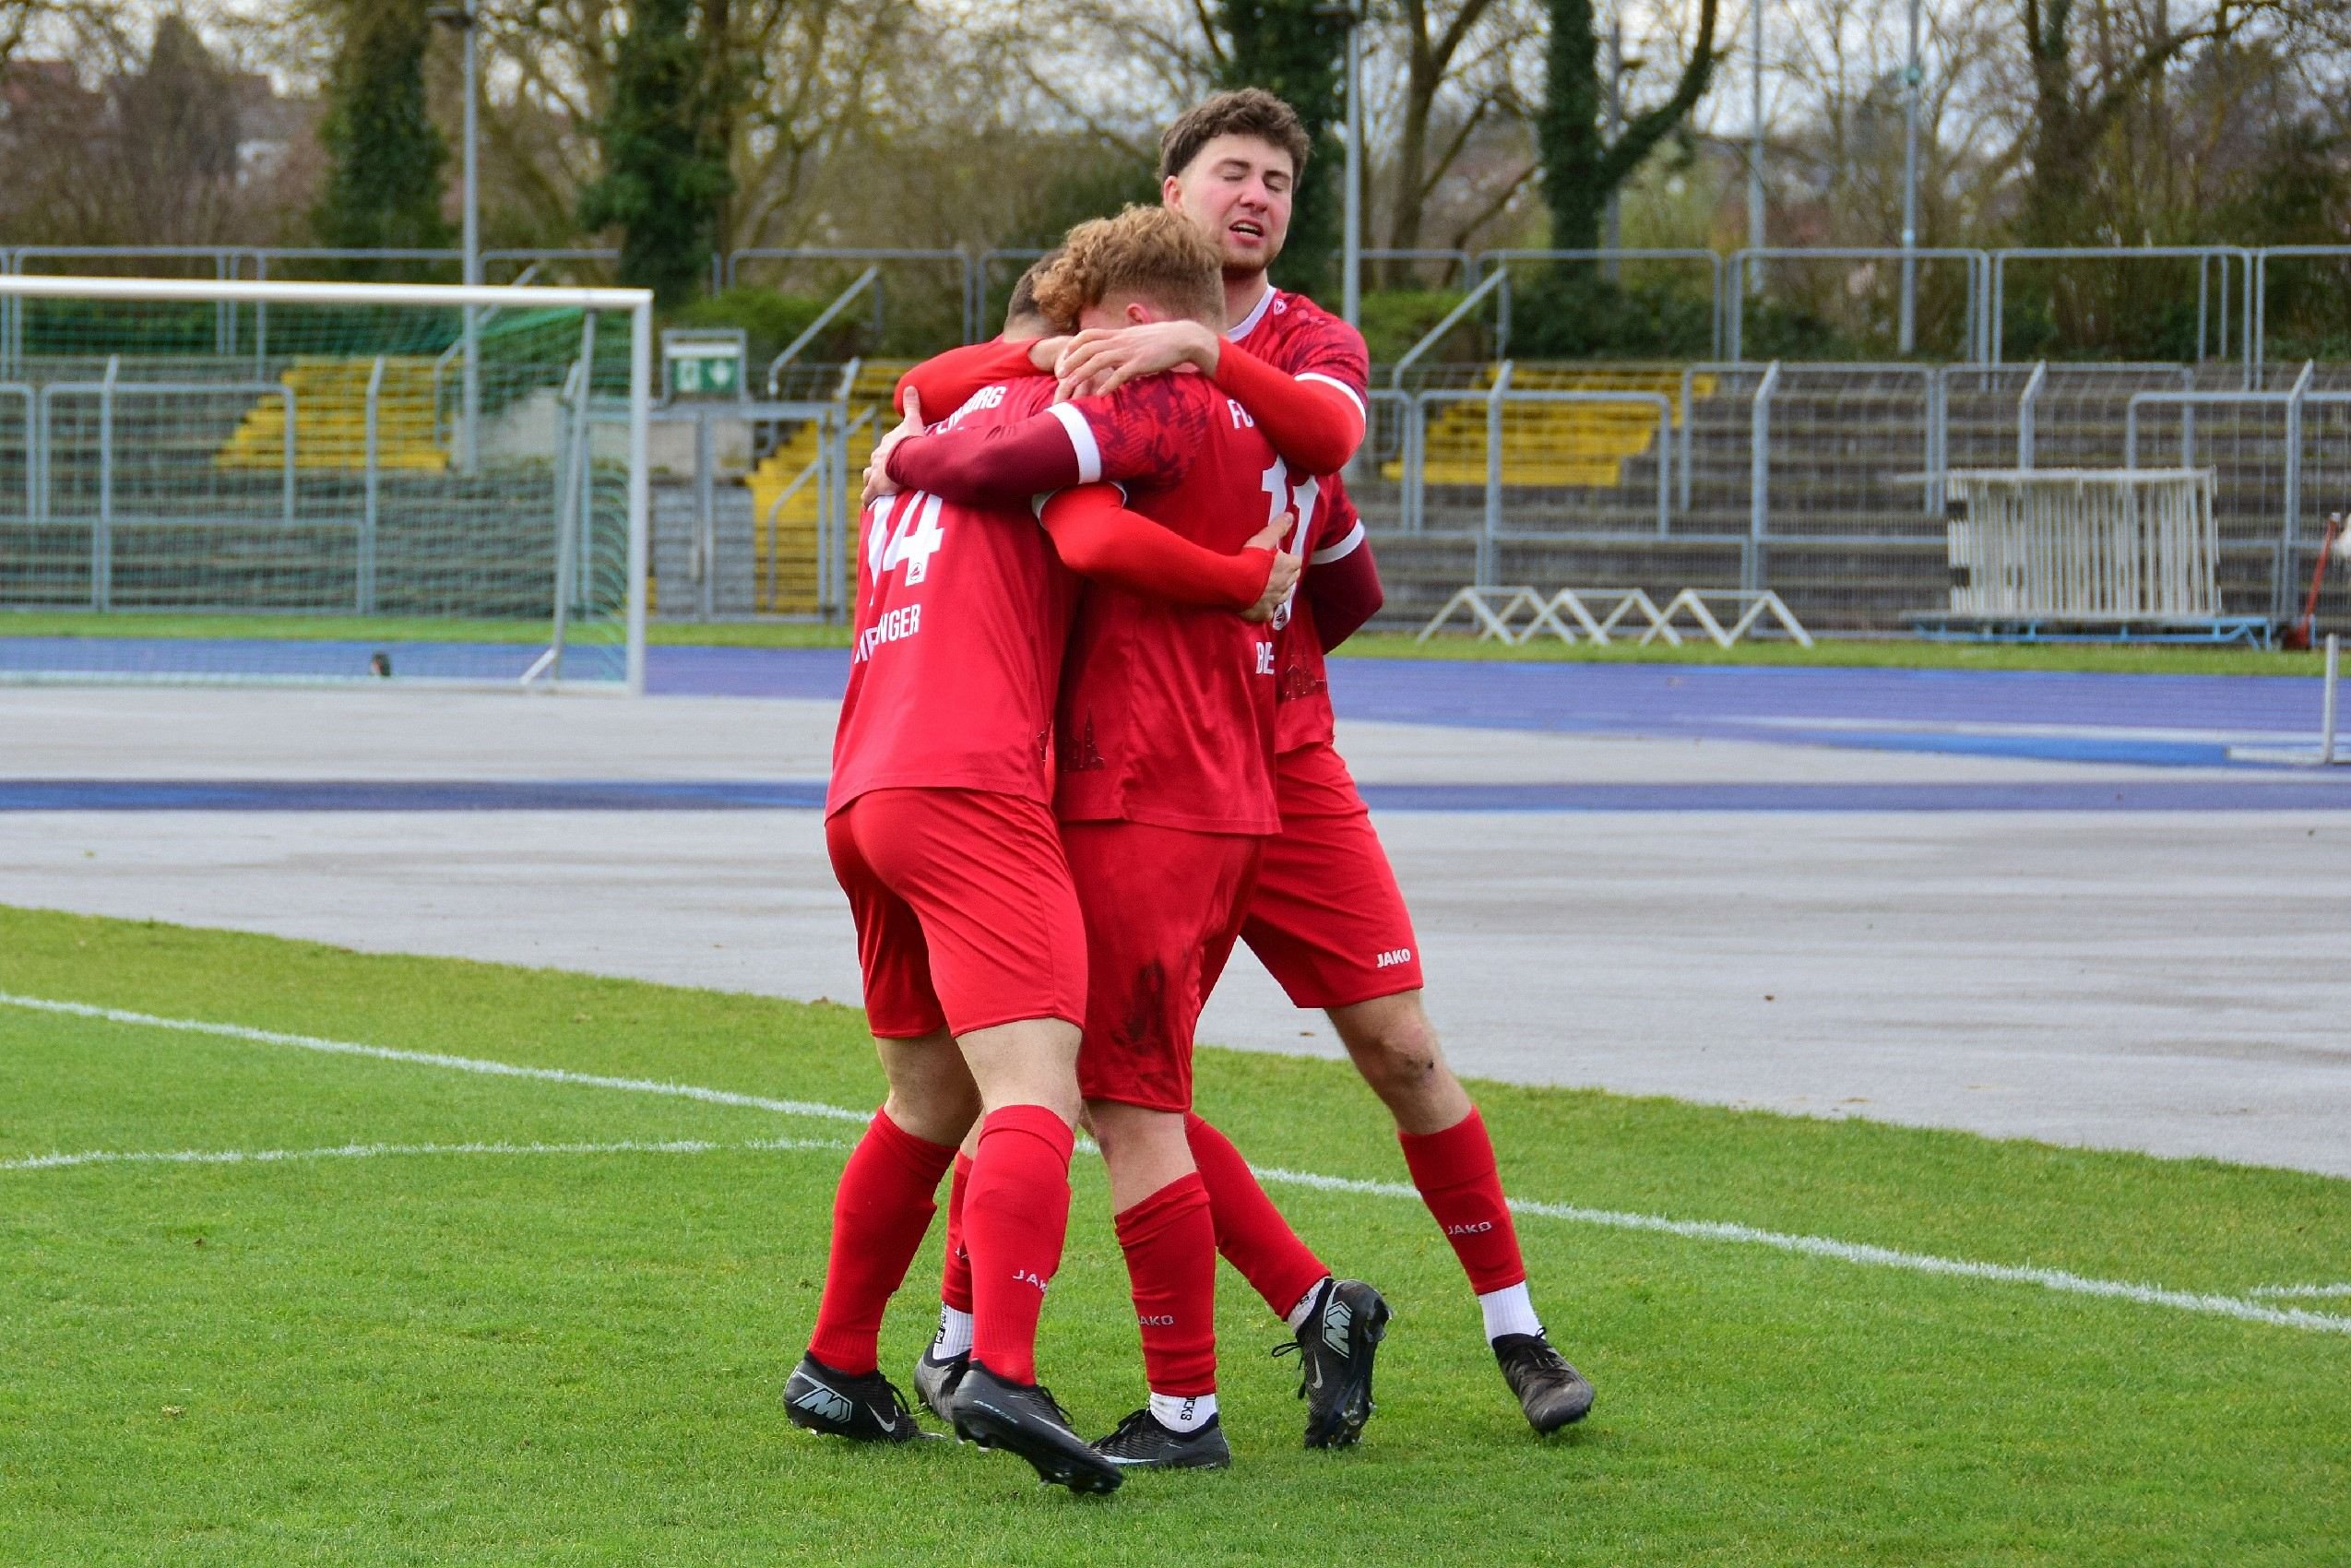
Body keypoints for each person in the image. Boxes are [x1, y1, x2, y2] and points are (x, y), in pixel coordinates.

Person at [895, 89, 1596, 1434]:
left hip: (1279, 763)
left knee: (1396, 1048)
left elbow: (1337, 526)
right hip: (1135, 767)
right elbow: (950, 390)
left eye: (1277, 180)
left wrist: (1253, 609)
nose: (1255, 197)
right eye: (1232, 171)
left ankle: (1516, 1332)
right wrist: (1047, 363)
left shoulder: (1305, 342)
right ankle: (982, 1336)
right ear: (1173, 191)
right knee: (1078, 1070)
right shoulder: (1100, 323)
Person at [874, 205, 1391, 1470]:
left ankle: (1177, 1408)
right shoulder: (1271, 417)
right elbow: (1353, 580)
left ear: (1138, 321)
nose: (1072, 351)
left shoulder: (1153, 406)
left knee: (1097, 1094)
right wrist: (1256, 604)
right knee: (1108, 1083)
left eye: (1085, 328)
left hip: (1141, 784)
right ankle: (1300, 1308)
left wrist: (915, 458)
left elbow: (1079, 522)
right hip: (1224, 775)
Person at [784, 253, 1300, 1492]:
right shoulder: (1046, 414)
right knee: (1037, 1085)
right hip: (972, 783)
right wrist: (1246, 581)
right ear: (1081, 333)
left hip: (862, 787)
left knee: (926, 1099)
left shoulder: (927, 416)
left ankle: (836, 1366)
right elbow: (1092, 534)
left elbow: (939, 383)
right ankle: (1000, 1371)